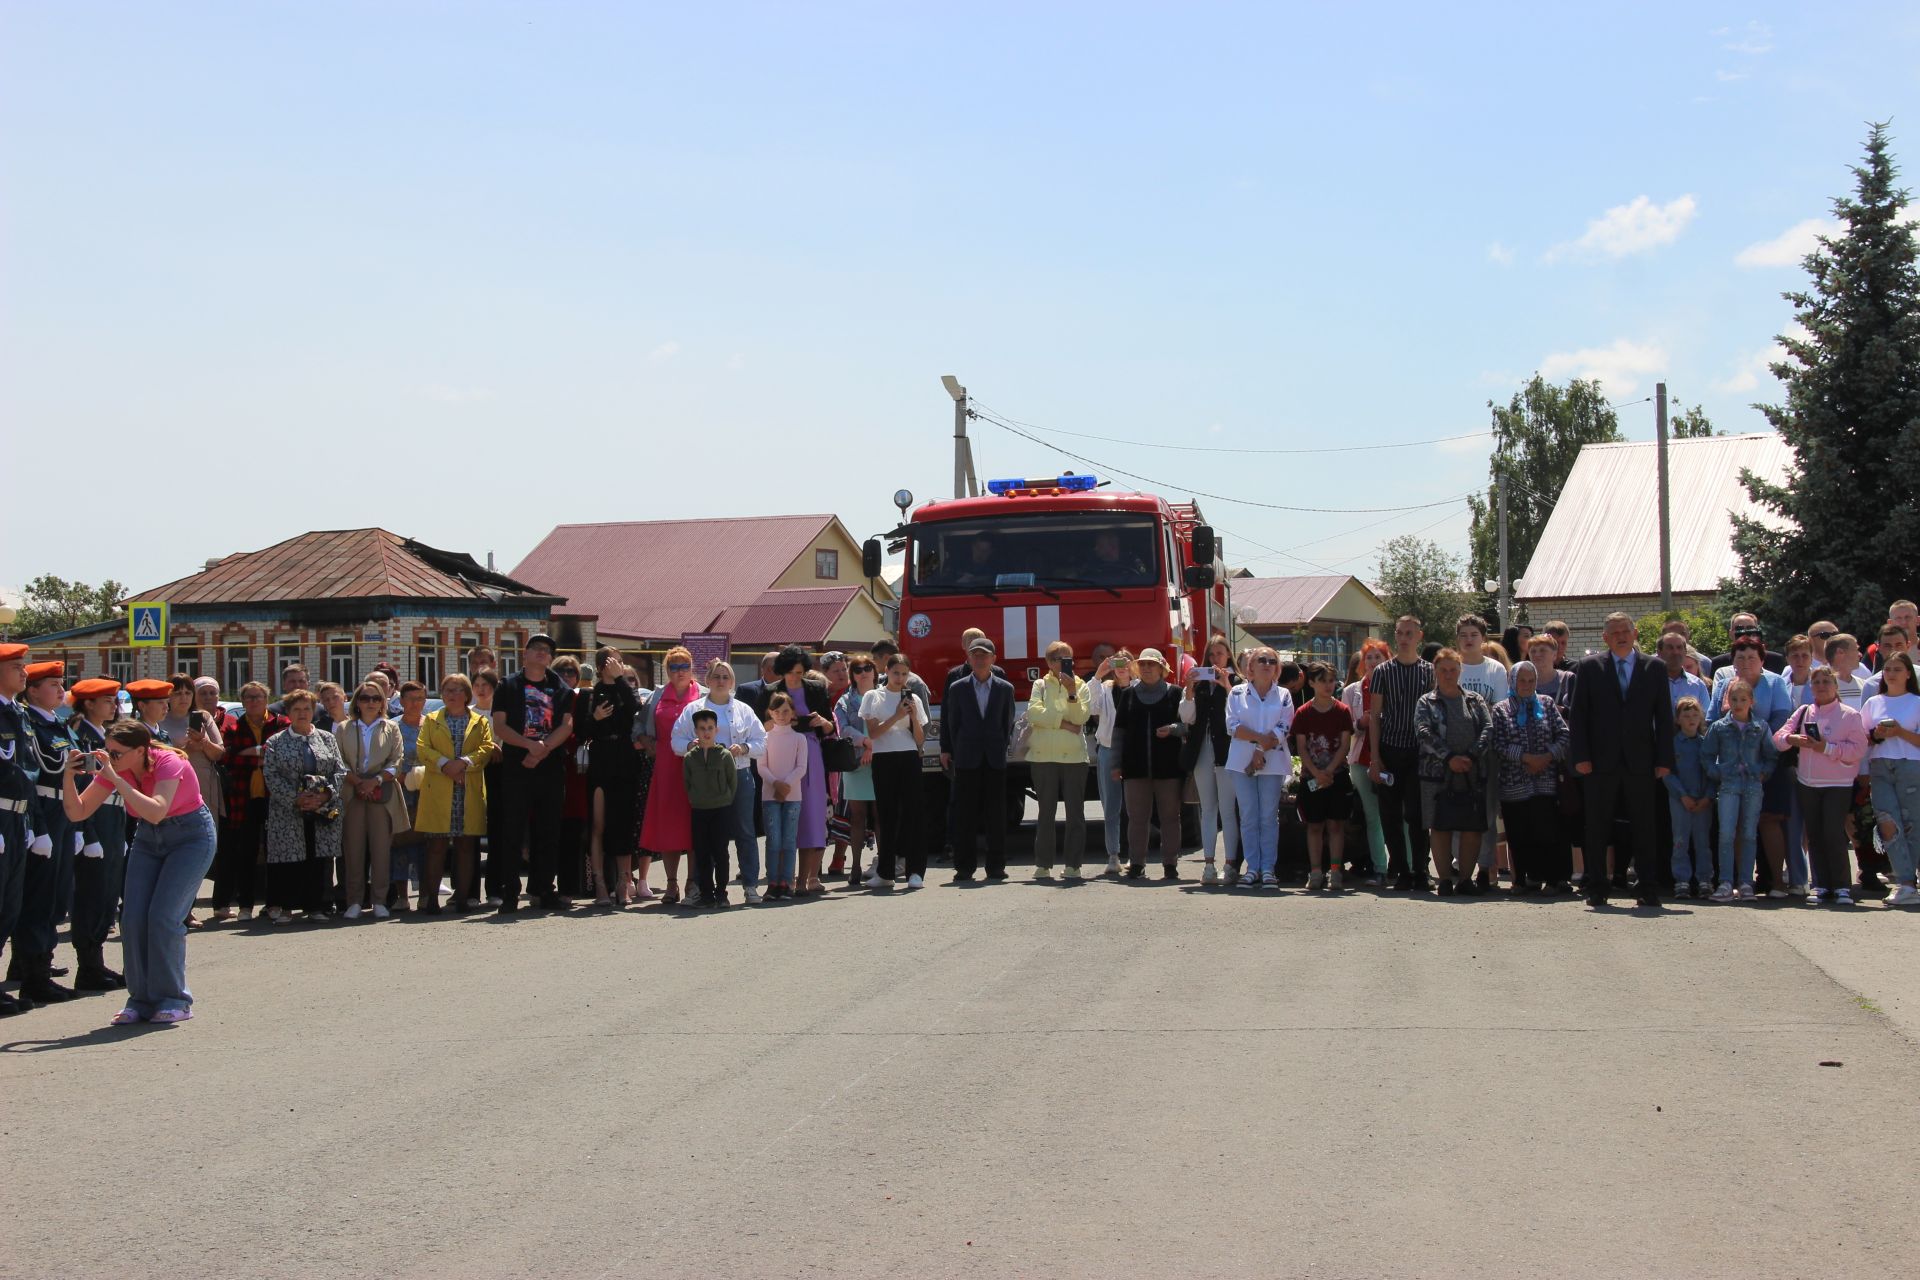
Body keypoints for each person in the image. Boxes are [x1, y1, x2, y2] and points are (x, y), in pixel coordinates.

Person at [60, 721, 217, 1024]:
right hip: (148, 839)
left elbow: (157, 809)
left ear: (141, 750)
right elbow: (77, 811)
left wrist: (115, 779)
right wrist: (68, 777)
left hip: (190, 837)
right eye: (107, 750)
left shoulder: (169, 762)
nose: (109, 757)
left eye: (117, 753)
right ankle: (141, 999)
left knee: (163, 917)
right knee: (132, 918)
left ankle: (175, 999)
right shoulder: (116, 767)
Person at [1570, 612, 1675, 907]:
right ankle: (1597, 885)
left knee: (1644, 826)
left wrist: (1664, 758)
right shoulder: (1589, 667)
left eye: (1625, 630)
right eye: (1614, 632)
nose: (1620, 636)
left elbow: (1664, 717)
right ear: (1605, 638)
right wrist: (1580, 756)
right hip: (1599, 761)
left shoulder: (1654, 667)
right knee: (1598, 826)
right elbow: (1578, 715)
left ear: (1635, 633)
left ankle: (1647, 886)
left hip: (1641, 760)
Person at [489, 633, 574, 913]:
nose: (542, 653)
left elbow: (566, 726)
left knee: (548, 831)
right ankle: (509, 892)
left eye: (547, 650)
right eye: (536, 648)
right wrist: (529, 746)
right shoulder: (508, 685)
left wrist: (543, 750)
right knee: (512, 830)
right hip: (517, 765)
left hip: (549, 767)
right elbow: (499, 726)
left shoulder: (559, 687)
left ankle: (542, 889)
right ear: (524, 654)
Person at [672, 660, 768, 901]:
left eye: (726, 677)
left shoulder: (744, 710)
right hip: (706, 781)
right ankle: (705, 888)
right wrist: (691, 745)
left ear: (732, 682)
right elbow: (675, 741)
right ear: (708, 680)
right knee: (708, 835)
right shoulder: (693, 709)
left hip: (739, 773)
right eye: (716, 677)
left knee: (745, 830)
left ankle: (750, 885)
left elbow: (762, 741)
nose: (721, 681)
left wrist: (744, 747)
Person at [13, 661, 78, 1005]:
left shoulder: (60, 724)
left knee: (56, 894)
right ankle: (32, 973)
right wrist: (38, 826)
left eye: (60, 683)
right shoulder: (30, 723)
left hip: (64, 811)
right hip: (43, 811)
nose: (59, 688)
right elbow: (31, 777)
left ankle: (39, 963)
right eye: (52, 684)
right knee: (38, 897)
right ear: (33, 690)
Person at [1710, 637, 1797, 896]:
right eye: (1740, 658)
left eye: (1751, 658)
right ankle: (1739, 881)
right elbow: (1713, 718)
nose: (1746, 662)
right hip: (1731, 767)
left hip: (1766, 761)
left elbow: (1782, 717)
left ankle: (1776, 882)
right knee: (1735, 826)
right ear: (1733, 663)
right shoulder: (1725, 684)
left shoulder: (1775, 682)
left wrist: (1753, 731)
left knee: (1768, 821)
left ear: (1762, 661)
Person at [1779, 666, 1867, 903]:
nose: (1820, 686)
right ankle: (1821, 885)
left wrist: (1826, 748)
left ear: (1835, 687)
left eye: (1826, 682)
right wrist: (1792, 739)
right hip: (1808, 783)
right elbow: (1778, 739)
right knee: (1815, 834)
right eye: (1816, 682)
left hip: (1838, 784)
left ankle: (1842, 887)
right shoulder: (1804, 711)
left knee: (1833, 833)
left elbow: (1858, 749)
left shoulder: (1849, 715)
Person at [62, 678, 127, 990]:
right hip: (93, 819)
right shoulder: (79, 738)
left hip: (113, 817)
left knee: (107, 895)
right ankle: (87, 966)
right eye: (106, 700)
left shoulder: (107, 736)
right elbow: (76, 788)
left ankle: (97, 961)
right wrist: (86, 834)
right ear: (88, 704)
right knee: (91, 895)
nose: (114, 705)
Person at [261, 689, 346, 924]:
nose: (302, 713)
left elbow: (339, 770)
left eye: (307, 709)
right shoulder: (276, 741)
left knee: (318, 858)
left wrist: (325, 794)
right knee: (289, 859)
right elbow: (271, 775)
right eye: (296, 709)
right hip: (288, 810)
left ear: (314, 712)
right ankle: (287, 907)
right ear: (288, 713)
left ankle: (316, 906)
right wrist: (296, 798)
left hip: (322, 809)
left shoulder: (326, 738)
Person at [416, 673, 497, 913]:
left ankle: (463, 898)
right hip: (439, 789)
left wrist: (463, 763)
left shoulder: (479, 721)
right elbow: (423, 749)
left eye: (457, 690)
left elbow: (485, 748)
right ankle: (431, 899)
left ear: (466, 695)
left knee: (465, 846)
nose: (451, 695)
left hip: (467, 789)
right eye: (447, 690)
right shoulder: (431, 720)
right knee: (436, 846)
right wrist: (445, 764)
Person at [1415, 649, 1493, 895]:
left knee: (1471, 827)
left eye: (1453, 670)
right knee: (1440, 826)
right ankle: (1446, 880)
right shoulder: (1426, 701)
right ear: (1436, 672)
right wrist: (1448, 757)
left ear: (1460, 671)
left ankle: (1466, 880)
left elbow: (1487, 729)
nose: (1448, 675)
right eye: (1443, 670)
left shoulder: (1475, 700)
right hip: (1437, 774)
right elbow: (1423, 732)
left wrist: (1469, 756)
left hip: (1471, 773)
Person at [940, 636, 1016, 884]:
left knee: (996, 815)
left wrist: (998, 746)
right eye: (975, 654)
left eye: (985, 655)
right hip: (967, 757)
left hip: (994, 758)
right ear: (968, 658)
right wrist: (952, 749)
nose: (980, 659)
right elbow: (953, 724)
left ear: (994, 659)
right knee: (965, 815)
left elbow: (1008, 723)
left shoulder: (1006, 689)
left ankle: (996, 866)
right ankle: (964, 867)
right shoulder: (957, 687)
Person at [1492, 661, 1572, 894]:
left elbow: (1563, 735)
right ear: (1513, 681)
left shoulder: (1546, 704)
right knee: (1519, 833)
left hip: (1545, 782)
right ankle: (1524, 880)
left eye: (1531, 681)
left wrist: (1547, 757)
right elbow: (1498, 743)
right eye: (1522, 680)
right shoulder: (1501, 709)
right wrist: (1526, 758)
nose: (1526, 685)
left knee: (1546, 832)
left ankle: (1552, 879)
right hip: (1514, 783)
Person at [1368, 615, 1435, 891]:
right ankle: (1401, 869)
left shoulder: (1429, 671)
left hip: (1419, 751)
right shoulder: (1382, 672)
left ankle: (1421, 869)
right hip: (1391, 750)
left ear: (1419, 636)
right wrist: (1375, 756)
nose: (1404, 637)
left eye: (1410, 633)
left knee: (1418, 815)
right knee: (1390, 815)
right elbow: (1375, 716)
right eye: (1400, 633)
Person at [1110, 648, 1186, 881]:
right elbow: (1119, 732)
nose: (1146, 668)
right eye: (1142, 664)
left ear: (1162, 668)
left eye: (1151, 664)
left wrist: (1173, 729)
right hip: (1135, 768)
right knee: (1137, 818)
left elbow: (1188, 725)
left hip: (1169, 768)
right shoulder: (1128, 695)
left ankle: (1170, 864)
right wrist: (1115, 763)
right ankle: (1137, 863)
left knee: (1170, 817)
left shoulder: (1176, 694)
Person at [336, 681, 409, 920]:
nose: (370, 703)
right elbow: (338, 761)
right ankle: (354, 901)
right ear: (356, 701)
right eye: (365, 698)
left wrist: (375, 781)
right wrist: (357, 782)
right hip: (352, 793)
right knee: (353, 850)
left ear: (382, 702)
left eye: (376, 698)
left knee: (381, 850)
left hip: (381, 792)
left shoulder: (390, 727)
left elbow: (397, 760)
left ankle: (379, 899)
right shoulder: (344, 728)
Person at [636, 644, 703, 904]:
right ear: (667, 670)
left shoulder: (703, 694)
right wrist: (645, 739)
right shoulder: (656, 696)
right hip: (665, 768)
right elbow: (638, 724)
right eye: (673, 667)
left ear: (691, 667)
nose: (679, 671)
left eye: (684, 665)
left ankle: (693, 882)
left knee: (694, 826)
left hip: (696, 768)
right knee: (669, 828)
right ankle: (672, 883)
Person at [575, 647, 640, 906]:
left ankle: (624, 882)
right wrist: (594, 718)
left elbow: (635, 706)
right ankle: (600, 883)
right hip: (601, 758)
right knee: (599, 824)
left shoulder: (625, 689)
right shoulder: (589, 695)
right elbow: (580, 733)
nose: (617, 666)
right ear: (601, 667)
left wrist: (621, 679)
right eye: (613, 662)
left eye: (620, 662)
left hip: (624, 758)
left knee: (623, 823)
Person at [769, 646, 837, 895]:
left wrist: (822, 722)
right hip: (780, 751)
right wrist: (785, 721)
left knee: (811, 815)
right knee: (784, 813)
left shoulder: (816, 689)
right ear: (782, 671)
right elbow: (762, 724)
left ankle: (805, 879)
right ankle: (782, 878)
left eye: (801, 672)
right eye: (792, 672)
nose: (797, 677)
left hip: (811, 752)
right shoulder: (770, 691)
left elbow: (830, 728)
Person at [1703, 680, 1777, 901]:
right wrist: (1718, 772)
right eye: (1734, 699)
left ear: (1751, 701)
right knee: (1726, 833)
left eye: (1743, 699)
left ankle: (1745, 882)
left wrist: (1763, 772)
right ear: (1728, 701)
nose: (1738, 704)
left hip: (1753, 783)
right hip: (1729, 784)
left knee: (1748, 833)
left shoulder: (1760, 726)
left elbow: (1771, 755)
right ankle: (1725, 881)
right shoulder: (1719, 727)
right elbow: (1706, 755)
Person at [1226, 647, 1292, 888]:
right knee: (1248, 816)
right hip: (1240, 763)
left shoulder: (1284, 694)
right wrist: (1259, 742)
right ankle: (1252, 867)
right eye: (1261, 660)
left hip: (1272, 763)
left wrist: (1259, 750)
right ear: (1250, 666)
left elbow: (1284, 727)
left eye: (1271, 660)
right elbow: (1233, 726)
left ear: (1277, 667)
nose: (1266, 664)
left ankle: (1268, 869)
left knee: (1268, 817)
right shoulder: (1236, 693)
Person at [1027, 640, 1093, 881]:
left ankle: (1073, 865)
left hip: (1074, 758)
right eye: (1058, 659)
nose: (1064, 664)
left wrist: (1072, 693)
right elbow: (1033, 713)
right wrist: (1063, 723)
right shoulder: (1040, 684)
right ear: (1049, 663)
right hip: (1044, 757)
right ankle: (1043, 864)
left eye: (1068, 660)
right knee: (1046, 812)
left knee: (1075, 812)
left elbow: (1082, 716)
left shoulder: (1081, 685)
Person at [863, 653, 928, 890]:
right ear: (887, 672)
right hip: (884, 758)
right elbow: (873, 733)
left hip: (909, 756)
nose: (900, 678)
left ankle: (915, 871)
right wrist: (897, 716)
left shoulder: (913, 699)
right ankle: (885, 872)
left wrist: (913, 718)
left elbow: (919, 739)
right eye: (895, 673)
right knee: (887, 815)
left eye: (904, 674)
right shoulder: (873, 696)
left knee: (914, 814)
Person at [1453, 615, 1508, 892]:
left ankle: (1485, 868)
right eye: (1463, 634)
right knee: (1454, 810)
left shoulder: (1495, 669)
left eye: (1474, 634)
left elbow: (1499, 708)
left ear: (1483, 638)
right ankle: (1457, 864)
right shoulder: (1451, 667)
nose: (1469, 639)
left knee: (1486, 813)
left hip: (1486, 752)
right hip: (1454, 753)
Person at [1180, 635, 1240, 886]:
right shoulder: (1199, 683)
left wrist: (1226, 684)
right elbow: (1187, 717)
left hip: (1226, 749)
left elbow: (1241, 712)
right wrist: (1190, 690)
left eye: (1220, 654)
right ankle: (1208, 864)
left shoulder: (1237, 683)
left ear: (1228, 656)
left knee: (1227, 809)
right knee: (1207, 808)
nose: (1216, 659)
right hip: (1203, 747)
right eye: (1212, 655)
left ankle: (1230, 865)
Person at [1292, 661, 1354, 891]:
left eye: (1331, 681)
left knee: (1336, 825)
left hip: (1336, 775)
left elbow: (1345, 744)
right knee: (1314, 826)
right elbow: (1301, 747)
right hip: (1312, 777)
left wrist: (1329, 771)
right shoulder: (1303, 713)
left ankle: (1335, 871)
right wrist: (1316, 772)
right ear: (1311, 682)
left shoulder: (1342, 711)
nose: (1328, 686)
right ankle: (1316, 870)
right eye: (1322, 681)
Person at [1864, 651, 1920, 906]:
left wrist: (1900, 732)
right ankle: (1905, 881)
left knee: (1911, 824)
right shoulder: (1874, 703)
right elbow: (1862, 738)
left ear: (1909, 673)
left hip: (1910, 766)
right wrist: (1877, 734)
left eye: (1898, 669)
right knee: (1887, 823)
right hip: (1880, 767)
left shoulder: (1916, 702)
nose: (1892, 674)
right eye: (1888, 669)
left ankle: (1908, 883)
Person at [0, 643, 36, 1016]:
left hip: (15, 817)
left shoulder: (17, 713)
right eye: (16, 666)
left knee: (9, 908)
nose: (24, 672)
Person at [1344, 640, 1392, 885]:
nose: (1373, 662)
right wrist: (1360, 724)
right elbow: (1346, 726)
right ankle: (1380, 868)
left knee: (1400, 815)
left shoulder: (1394, 686)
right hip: (1360, 758)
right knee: (1373, 816)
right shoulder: (1352, 690)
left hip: (1391, 757)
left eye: (1378, 657)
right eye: (1369, 658)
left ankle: (1404, 866)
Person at [682, 709, 738, 908]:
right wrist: (695, 799)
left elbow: (733, 782)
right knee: (702, 852)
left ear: (717, 730)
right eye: (702, 728)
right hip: (699, 810)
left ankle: (721, 893)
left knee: (720, 852)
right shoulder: (689, 758)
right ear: (696, 731)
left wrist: (725, 799)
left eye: (710, 728)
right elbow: (687, 782)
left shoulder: (724, 756)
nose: (706, 732)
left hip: (721, 809)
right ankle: (706, 893)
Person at [832, 655, 878, 885]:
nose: (863, 672)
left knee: (882, 816)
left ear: (874, 670)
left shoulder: (884, 694)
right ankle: (856, 866)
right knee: (857, 817)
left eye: (867, 667)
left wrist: (873, 745)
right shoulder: (845, 700)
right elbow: (843, 728)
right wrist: (865, 742)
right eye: (857, 669)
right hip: (856, 763)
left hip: (882, 762)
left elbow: (891, 724)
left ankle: (884, 863)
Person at [1088, 648, 1134, 876]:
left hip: (1133, 752)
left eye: (1126, 662)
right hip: (1108, 749)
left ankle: (1136, 855)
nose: (1122, 667)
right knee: (1111, 806)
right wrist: (1098, 675)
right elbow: (1090, 706)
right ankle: (1113, 855)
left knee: (1137, 805)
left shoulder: (1139, 689)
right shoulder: (1105, 689)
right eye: (1117, 663)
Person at [1665, 697, 1715, 898]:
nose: (1691, 719)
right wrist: (1682, 795)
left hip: (1702, 802)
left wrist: (1708, 797)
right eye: (1686, 715)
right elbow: (1667, 773)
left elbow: (1712, 773)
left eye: (1695, 715)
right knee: (1680, 841)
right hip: (1680, 801)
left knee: (1703, 842)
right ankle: (1682, 879)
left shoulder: (1706, 744)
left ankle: (1704, 879)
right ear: (1678, 720)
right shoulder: (1673, 744)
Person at [758, 692, 807, 899]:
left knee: (789, 840)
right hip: (770, 796)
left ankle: (787, 881)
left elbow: (801, 767)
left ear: (792, 713)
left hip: (793, 796)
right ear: (770, 712)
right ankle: (772, 882)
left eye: (785, 711)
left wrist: (785, 785)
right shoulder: (765, 737)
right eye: (777, 711)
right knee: (773, 840)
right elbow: (761, 766)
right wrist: (776, 784)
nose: (781, 715)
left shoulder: (799, 738)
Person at [389, 681, 429, 911]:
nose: (415, 703)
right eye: (410, 698)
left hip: (428, 792)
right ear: (401, 701)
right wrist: (401, 775)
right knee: (399, 844)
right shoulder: (392, 726)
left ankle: (424, 893)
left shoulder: (432, 725)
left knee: (426, 844)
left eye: (420, 698)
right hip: (400, 791)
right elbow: (388, 756)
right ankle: (401, 897)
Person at [1659, 631, 1710, 713]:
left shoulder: (1697, 685)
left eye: (1679, 647)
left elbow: (1705, 718)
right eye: (1670, 648)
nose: (1675, 652)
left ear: (1685, 651)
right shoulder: (1650, 683)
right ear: (1659, 653)